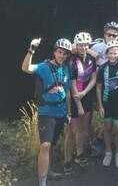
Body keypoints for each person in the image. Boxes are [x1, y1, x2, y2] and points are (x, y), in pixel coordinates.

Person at [21, 37, 72, 186]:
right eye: (60, 52)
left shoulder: (65, 69)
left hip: (61, 111)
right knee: (45, 145)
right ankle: (42, 182)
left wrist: (68, 113)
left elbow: (67, 91)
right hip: (46, 112)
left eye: (65, 54)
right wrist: (31, 49)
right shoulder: (44, 67)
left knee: (53, 144)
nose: (62, 56)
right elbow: (26, 68)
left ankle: (48, 170)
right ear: (55, 52)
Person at [63, 31, 96, 175]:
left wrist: (85, 93)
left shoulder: (91, 59)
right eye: (80, 45)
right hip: (75, 98)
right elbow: (73, 86)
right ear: (76, 46)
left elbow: (94, 78)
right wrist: (79, 105)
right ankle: (67, 160)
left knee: (83, 128)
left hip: (86, 95)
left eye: (85, 45)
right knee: (72, 131)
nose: (83, 48)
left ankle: (80, 153)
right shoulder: (71, 61)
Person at [87, 21, 118, 156]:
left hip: (110, 85)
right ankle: (93, 140)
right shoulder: (97, 45)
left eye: (114, 35)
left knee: (109, 114)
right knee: (88, 115)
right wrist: (90, 51)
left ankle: (99, 141)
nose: (111, 38)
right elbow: (75, 46)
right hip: (93, 83)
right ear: (104, 34)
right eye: (109, 35)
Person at [96, 40, 118, 168]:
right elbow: (98, 88)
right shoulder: (103, 69)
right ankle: (109, 152)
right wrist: (100, 106)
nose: (112, 55)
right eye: (110, 53)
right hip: (106, 103)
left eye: (115, 53)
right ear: (107, 54)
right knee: (107, 128)